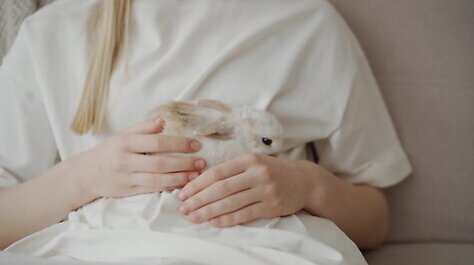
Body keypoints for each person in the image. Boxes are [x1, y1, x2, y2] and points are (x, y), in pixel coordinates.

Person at [0, 0, 412, 262]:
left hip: (262, 250)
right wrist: (88, 175)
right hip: (105, 248)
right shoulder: (54, 31)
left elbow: (374, 221)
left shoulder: (307, 21)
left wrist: (308, 186)